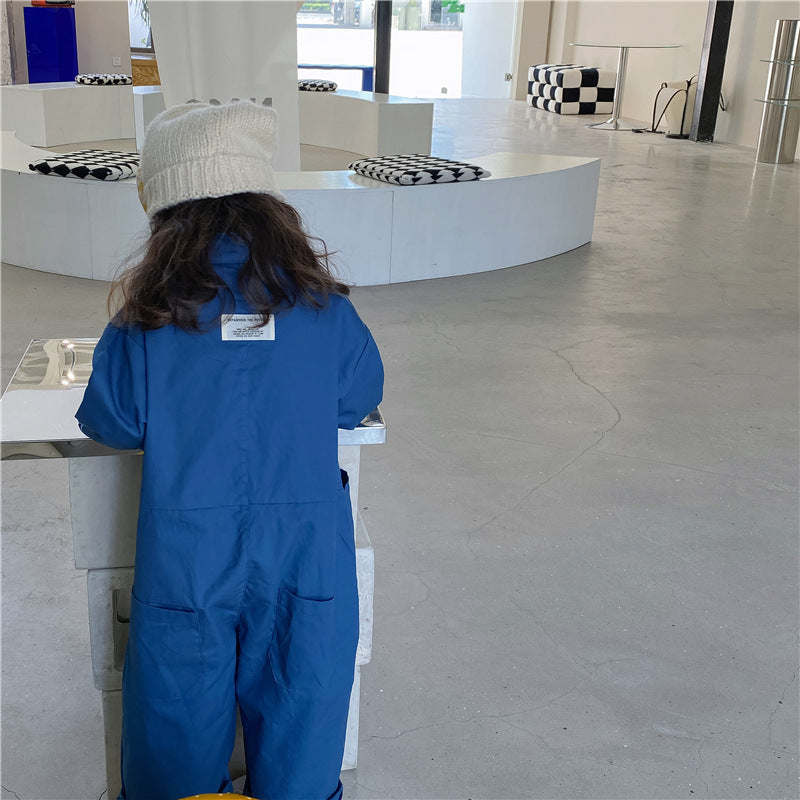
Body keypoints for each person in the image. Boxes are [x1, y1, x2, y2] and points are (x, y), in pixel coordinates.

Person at [76, 100, 384, 800]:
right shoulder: (326, 311)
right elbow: (356, 397)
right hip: (305, 558)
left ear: (166, 216)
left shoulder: (146, 321)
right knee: (303, 730)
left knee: (174, 742)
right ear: (268, 208)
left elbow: (111, 421)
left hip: (189, 561)